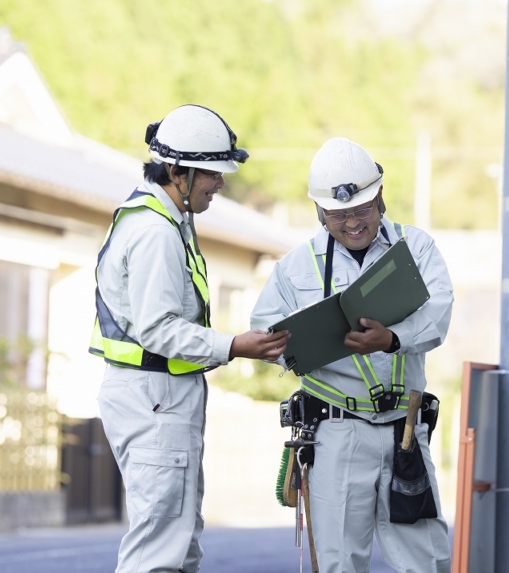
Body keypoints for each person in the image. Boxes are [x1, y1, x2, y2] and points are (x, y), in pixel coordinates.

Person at [91, 104, 289, 573]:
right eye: (212, 174)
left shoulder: (164, 218)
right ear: (178, 171)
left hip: (157, 399)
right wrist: (233, 346)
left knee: (179, 546)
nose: (220, 183)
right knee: (159, 551)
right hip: (154, 400)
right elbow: (157, 328)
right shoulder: (156, 231)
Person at [251, 137, 454, 573]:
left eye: (362, 209)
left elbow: (439, 315)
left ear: (381, 196)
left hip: (404, 429)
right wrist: (286, 349)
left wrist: (393, 338)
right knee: (339, 562)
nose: (353, 223)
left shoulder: (415, 249)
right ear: (321, 212)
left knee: (424, 560)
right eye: (340, 215)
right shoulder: (295, 266)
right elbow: (263, 332)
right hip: (336, 432)